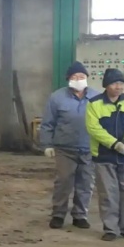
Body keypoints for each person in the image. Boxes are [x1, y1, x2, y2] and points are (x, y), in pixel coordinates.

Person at [85, 68, 124, 242]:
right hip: (104, 155)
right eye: (114, 83)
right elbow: (93, 128)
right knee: (108, 193)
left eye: (121, 83)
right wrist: (114, 144)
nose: (118, 87)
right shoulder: (94, 104)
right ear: (106, 85)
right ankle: (111, 229)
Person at [38, 62, 97, 230]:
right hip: (65, 148)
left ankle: (80, 215)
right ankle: (58, 214)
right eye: (75, 77)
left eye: (82, 77)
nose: (78, 80)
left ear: (87, 78)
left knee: (86, 183)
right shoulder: (57, 97)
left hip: (89, 148)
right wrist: (47, 145)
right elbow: (48, 123)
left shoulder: (97, 97)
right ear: (68, 79)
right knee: (63, 182)